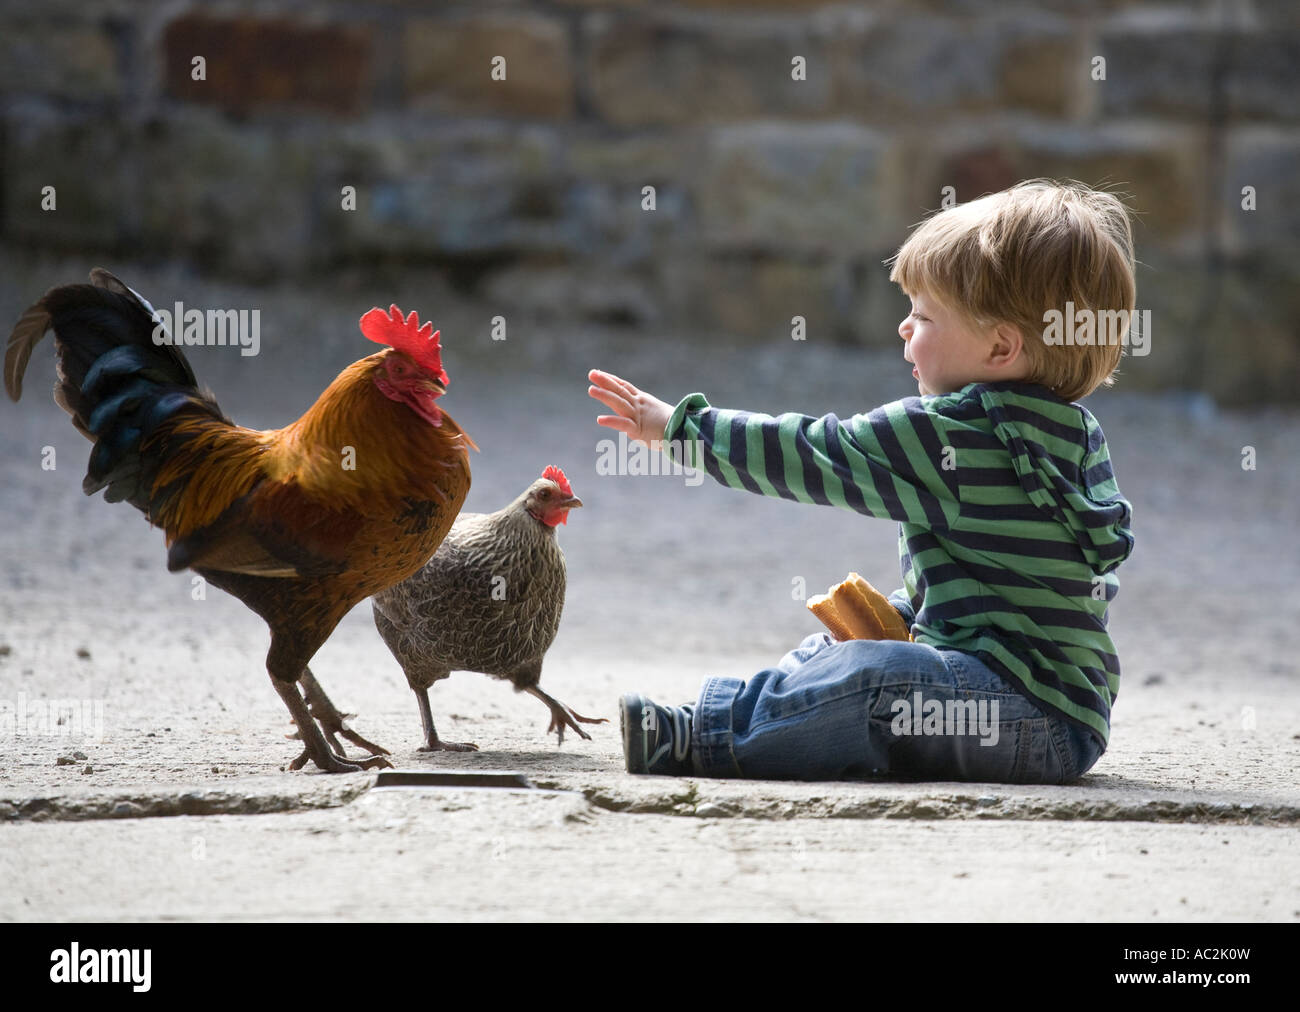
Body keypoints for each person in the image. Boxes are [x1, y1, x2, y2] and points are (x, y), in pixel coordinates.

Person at [588, 179, 1136, 784]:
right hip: (1064, 718)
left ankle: (708, 736)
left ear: (1001, 347)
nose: (904, 328)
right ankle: (758, 722)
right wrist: (906, 614)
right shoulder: (1077, 434)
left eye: (924, 315)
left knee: (872, 681)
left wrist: (682, 429)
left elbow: (818, 453)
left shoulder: (952, 433)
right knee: (838, 654)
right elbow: (1014, 589)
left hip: (1017, 714)